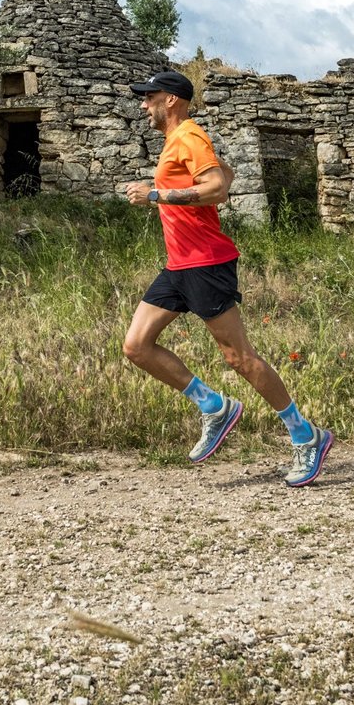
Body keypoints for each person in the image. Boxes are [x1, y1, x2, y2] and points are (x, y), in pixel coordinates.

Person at [120, 70, 333, 487]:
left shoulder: (188, 137)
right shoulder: (180, 141)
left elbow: (217, 188)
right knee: (136, 346)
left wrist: (155, 195)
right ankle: (214, 407)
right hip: (180, 264)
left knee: (240, 359)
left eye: (150, 97)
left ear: (172, 101)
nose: (143, 104)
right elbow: (227, 173)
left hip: (207, 263)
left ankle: (306, 435)